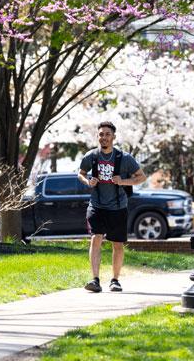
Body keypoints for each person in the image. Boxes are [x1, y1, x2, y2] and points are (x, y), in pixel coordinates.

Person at [78, 121, 147, 293]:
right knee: (96, 238)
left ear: (114, 137)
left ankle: (115, 280)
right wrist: (88, 181)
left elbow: (141, 177)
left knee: (117, 244)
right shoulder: (91, 156)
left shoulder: (124, 158)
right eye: (101, 134)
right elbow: (80, 173)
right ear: (97, 136)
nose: (104, 137)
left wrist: (123, 181)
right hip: (97, 204)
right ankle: (95, 280)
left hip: (118, 206)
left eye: (107, 134)